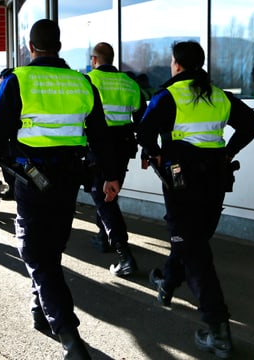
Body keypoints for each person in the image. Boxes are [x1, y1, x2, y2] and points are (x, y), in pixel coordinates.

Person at [0, 19, 119, 360]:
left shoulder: (19, 80)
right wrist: (111, 175)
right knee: (51, 247)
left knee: (35, 251)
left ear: (30, 46)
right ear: (59, 45)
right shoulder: (82, 82)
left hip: (32, 179)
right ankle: (41, 308)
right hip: (70, 179)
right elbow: (101, 135)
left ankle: (68, 334)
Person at [136, 41, 254, 358]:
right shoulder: (218, 95)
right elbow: (251, 123)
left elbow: (144, 131)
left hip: (182, 181)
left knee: (194, 250)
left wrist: (154, 154)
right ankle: (166, 283)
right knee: (193, 240)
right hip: (216, 180)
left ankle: (218, 330)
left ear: (176, 64)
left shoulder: (169, 95)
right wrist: (227, 152)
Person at [86, 42, 146, 276]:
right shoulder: (130, 83)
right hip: (123, 144)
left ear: (95, 59)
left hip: (99, 144)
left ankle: (125, 255)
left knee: (102, 196)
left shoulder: (89, 80)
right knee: (110, 191)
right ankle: (104, 237)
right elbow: (141, 119)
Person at [0, 67, 16, 201]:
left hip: (6, 136)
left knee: (7, 164)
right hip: (17, 136)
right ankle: (14, 188)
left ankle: (13, 189)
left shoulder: (4, 91)